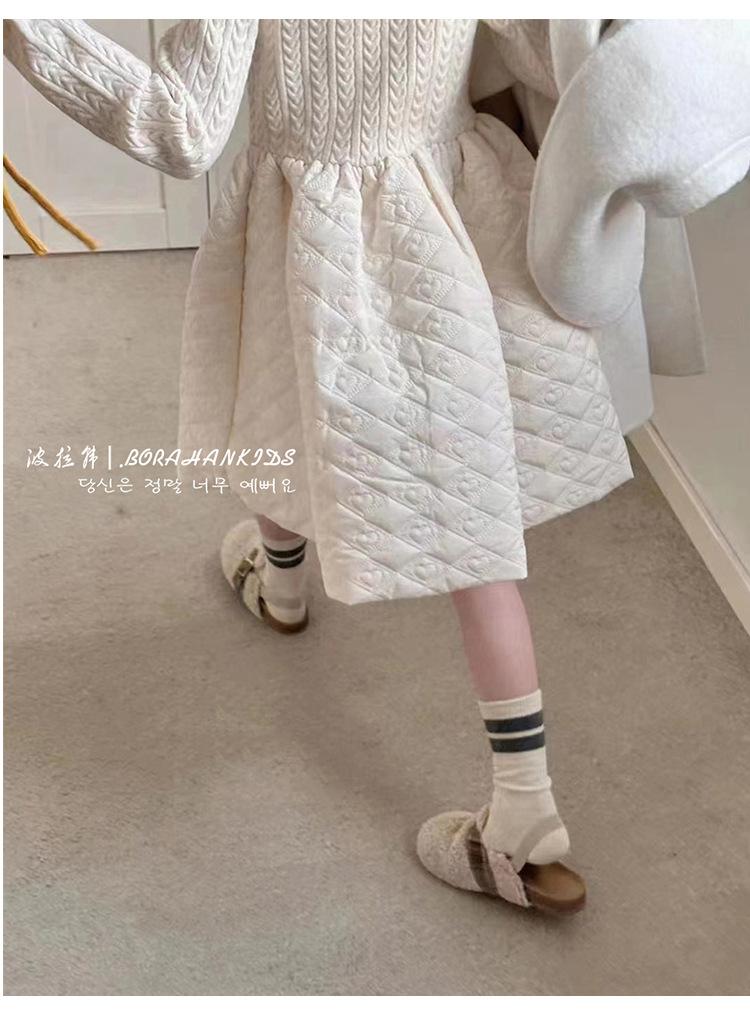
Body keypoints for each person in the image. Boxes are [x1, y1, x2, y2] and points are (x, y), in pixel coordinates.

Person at [5, 18, 638, 914]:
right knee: (470, 512)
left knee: (277, 407)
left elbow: (180, 128)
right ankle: (511, 795)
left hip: (315, 231)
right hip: (455, 217)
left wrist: (27, 28)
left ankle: (293, 598)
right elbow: (554, 58)